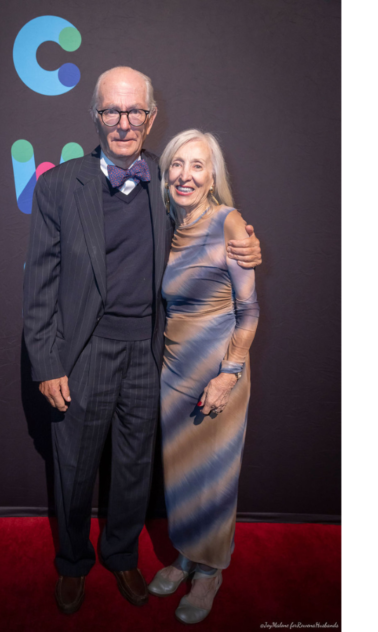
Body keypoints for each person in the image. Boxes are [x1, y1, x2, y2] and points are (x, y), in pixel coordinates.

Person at [22, 67, 262, 615]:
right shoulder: (60, 185)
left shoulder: (165, 182)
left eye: (135, 112)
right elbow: (39, 284)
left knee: (133, 467)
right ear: (97, 116)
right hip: (82, 354)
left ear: (151, 118)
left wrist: (248, 241)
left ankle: (122, 555)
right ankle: (72, 563)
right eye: (112, 111)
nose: (124, 123)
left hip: (147, 355)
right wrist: (47, 362)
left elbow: (213, 220)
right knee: (74, 468)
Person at [146, 130, 259, 624]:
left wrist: (229, 373)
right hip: (174, 371)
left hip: (219, 373)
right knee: (182, 474)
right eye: (177, 165)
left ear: (214, 175)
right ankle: (188, 555)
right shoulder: (168, 222)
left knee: (214, 475)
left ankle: (211, 571)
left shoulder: (229, 222)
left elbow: (250, 310)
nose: (185, 175)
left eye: (197, 166)